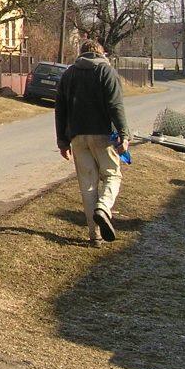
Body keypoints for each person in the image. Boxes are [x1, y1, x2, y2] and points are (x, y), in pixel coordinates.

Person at [55, 38, 130, 247]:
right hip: (104, 135)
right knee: (112, 175)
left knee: (88, 186)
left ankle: (95, 236)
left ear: (81, 53)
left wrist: (62, 142)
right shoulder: (107, 72)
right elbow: (115, 105)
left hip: (77, 137)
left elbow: (60, 109)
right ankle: (104, 207)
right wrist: (124, 134)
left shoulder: (68, 74)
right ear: (100, 53)